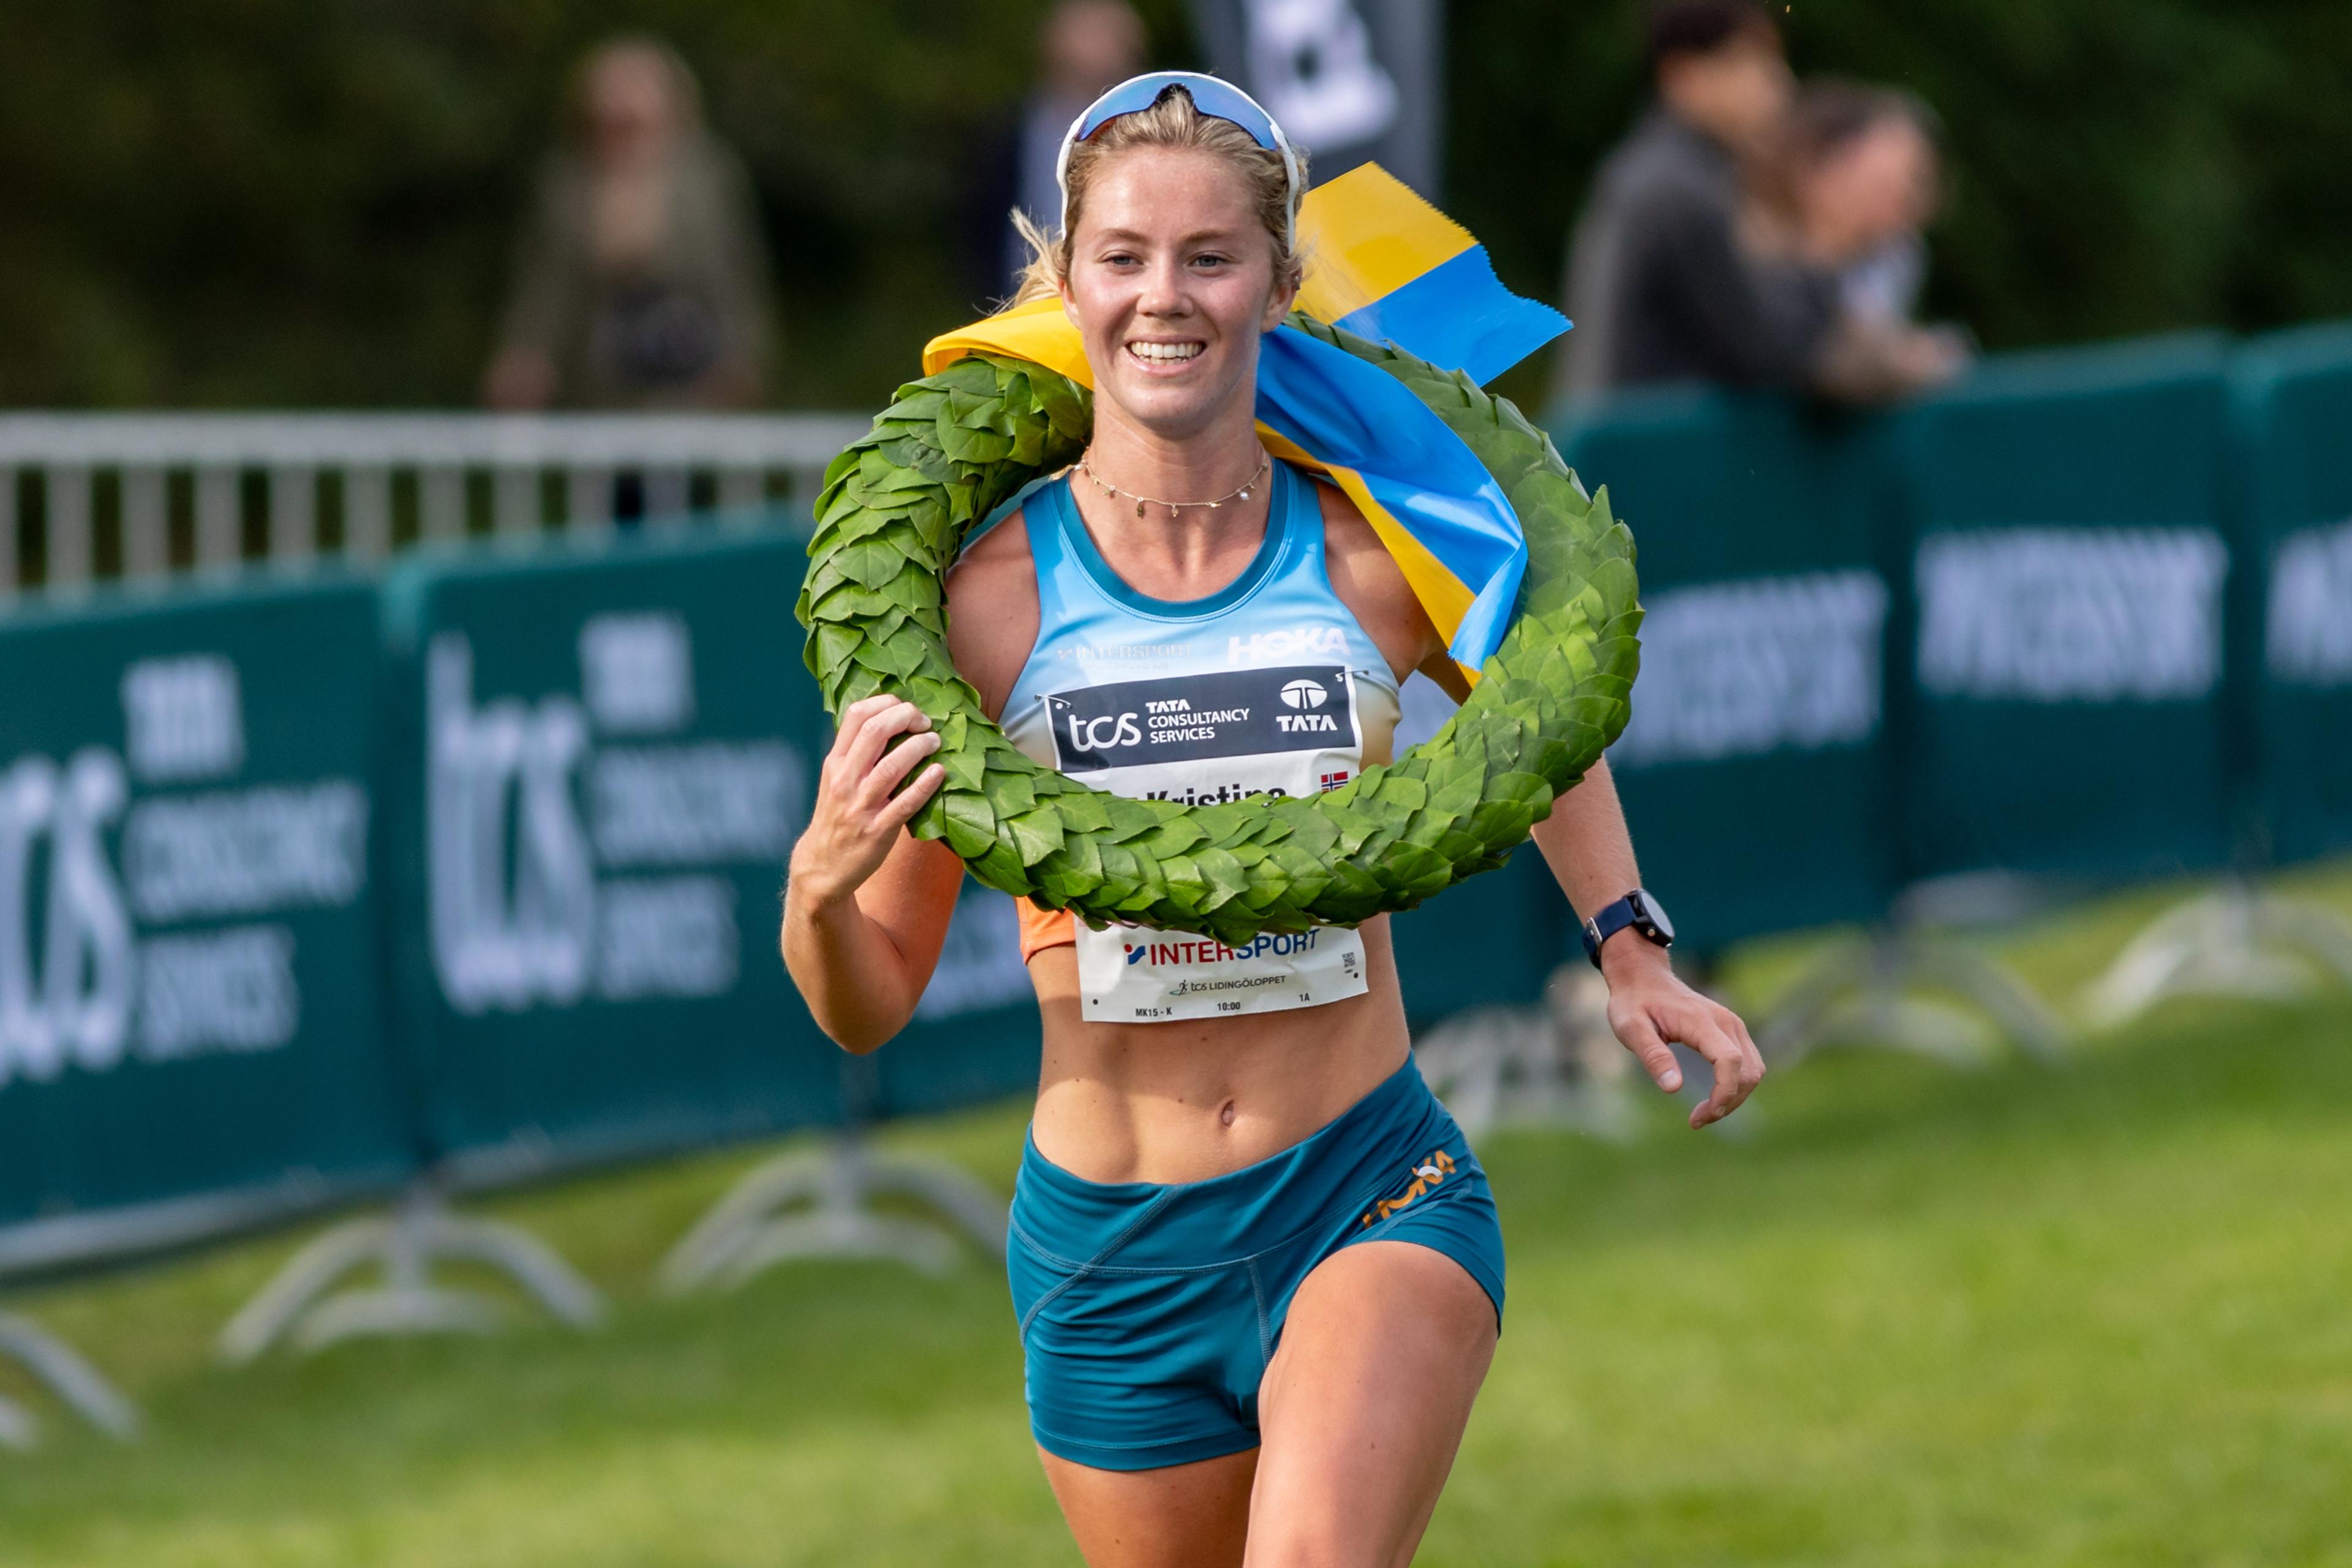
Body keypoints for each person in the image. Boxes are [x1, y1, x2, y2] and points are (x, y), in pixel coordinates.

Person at [782, 75, 1763, 1567]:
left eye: (1208, 257)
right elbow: (866, 1006)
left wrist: (1626, 940)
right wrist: (815, 887)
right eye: (1121, 257)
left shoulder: (1377, 558)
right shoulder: (981, 613)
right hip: (1112, 1249)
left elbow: (1537, 718)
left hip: (1365, 1182)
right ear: (1063, 280)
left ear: (1277, 284)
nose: (1161, 298)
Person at [1551, 0, 1834, 404]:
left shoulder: (1655, 171)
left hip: (1615, 448)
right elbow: (1771, 353)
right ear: (1683, 74)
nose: (1780, 84)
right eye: (1753, 63)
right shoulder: (1680, 190)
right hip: (1638, 456)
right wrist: (1819, 253)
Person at [482, 37, 775, 412]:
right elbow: (545, 285)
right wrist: (525, 355)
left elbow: (734, 273)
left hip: (688, 376)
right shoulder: (567, 183)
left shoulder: (709, 179)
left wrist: (743, 357)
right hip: (596, 382)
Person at [1746, 80, 1970, 403]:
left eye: (1912, 187)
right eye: (1882, 185)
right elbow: (1821, 365)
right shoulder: (1757, 249)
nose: (1905, 206)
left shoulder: (1896, 255)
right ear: (1817, 172)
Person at [969, 0, 1149, 302]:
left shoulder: (1152, 132)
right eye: (1086, 32)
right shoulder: (1011, 132)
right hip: (1017, 298)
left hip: (1119, 296)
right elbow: (982, 222)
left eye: (1104, 34)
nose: (1094, 47)